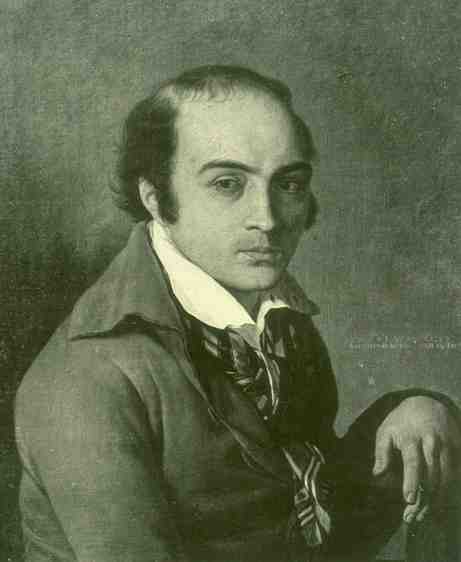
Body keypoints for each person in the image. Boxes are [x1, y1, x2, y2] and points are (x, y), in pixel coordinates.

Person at [15, 65, 461, 562]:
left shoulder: (277, 319)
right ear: (155, 196)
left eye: (288, 184)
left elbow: (301, 496)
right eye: (227, 183)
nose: (267, 219)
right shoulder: (89, 376)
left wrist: (411, 408)